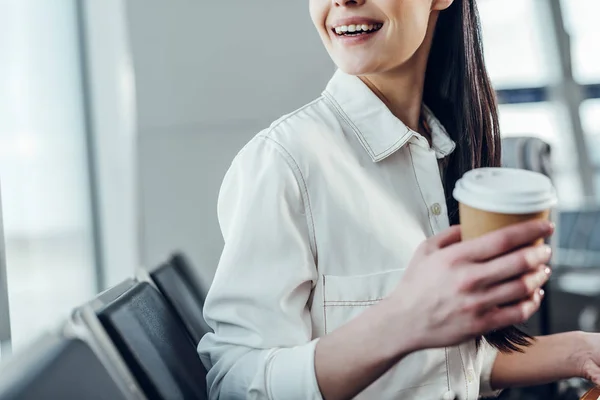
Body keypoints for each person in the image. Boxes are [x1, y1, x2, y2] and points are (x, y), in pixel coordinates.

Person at [198, 0, 600, 399]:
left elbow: (444, 367)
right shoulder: (284, 163)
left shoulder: (440, 148)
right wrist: (403, 320)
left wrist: (581, 349)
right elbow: (233, 386)